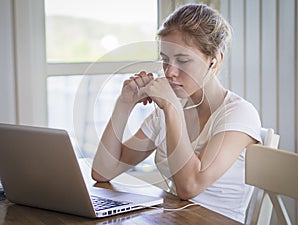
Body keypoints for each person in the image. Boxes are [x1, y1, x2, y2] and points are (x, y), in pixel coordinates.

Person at [92, 3, 261, 223]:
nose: (170, 72)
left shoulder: (239, 114)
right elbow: (104, 171)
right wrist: (124, 104)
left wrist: (171, 107)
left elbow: (188, 187)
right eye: (165, 60)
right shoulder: (167, 111)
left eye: (182, 60)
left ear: (214, 60)